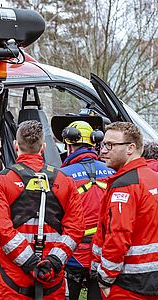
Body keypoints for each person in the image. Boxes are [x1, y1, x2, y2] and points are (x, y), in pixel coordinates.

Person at [0, 120, 85, 299]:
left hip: (13, 284)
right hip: (52, 280)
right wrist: (54, 262)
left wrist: (31, 263)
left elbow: (3, 230)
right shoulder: (64, 181)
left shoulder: (1, 181)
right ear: (44, 147)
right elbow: (76, 229)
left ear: (15, 145)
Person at [92, 122, 158, 299]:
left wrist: (105, 276)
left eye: (110, 145)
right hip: (157, 279)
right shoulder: (157, 180)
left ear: (131, 148)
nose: (103, 151)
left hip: (128, 283)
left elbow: (118, 236)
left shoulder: (126, 185)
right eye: (103, 144)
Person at [59, 120, 114, 300]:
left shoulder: (64, 175)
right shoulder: (111, 172)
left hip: (73, 253)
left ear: (69, 144)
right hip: (102, 252)